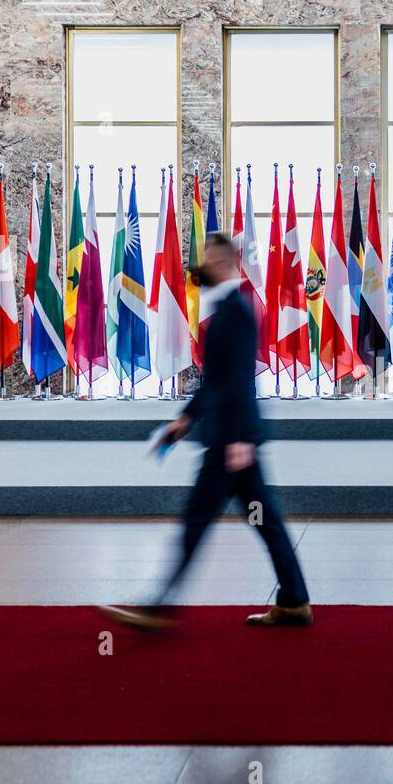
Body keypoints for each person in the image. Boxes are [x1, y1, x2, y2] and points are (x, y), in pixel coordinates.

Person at [99, 232, 312, 630]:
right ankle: (295, 601)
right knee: (266, 522)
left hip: (230, 445)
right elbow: (215, 379)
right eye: (206, 259)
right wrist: (185, 419)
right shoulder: (227, 309)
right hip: (231, 440)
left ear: (229, 265)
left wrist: (239, 440)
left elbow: (239, 380)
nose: (207, 265)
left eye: (215, 260)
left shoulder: (238, 311)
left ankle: (160, 606)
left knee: (199, 521)